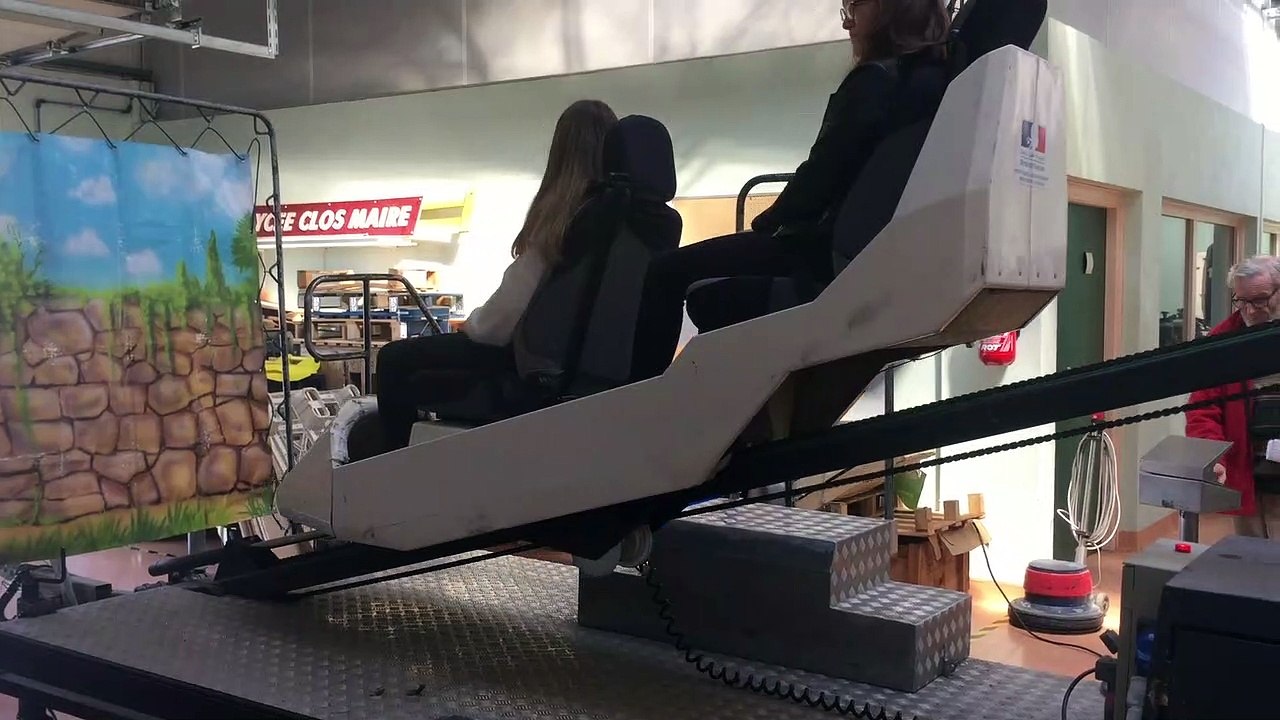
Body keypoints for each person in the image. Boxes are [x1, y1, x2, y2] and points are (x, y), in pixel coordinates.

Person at [628, 0, 953, 381]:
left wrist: (768, 219)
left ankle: (637, 401)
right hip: (862, 258)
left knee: (665, 270)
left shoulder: (875, 82)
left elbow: (819, 177)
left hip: (818, 255)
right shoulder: (931, 81)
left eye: (857, 9)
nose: (850, 25)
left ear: (887, 13)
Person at [375, 99, 619, 450]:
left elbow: (496, 325)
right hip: (576, 368)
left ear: (561, 154)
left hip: (528, 366)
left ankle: (389, 473)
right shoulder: (619, 223)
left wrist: (471, 323)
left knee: (394, 360)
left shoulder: (565, 221)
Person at [1185, 255, 1280, 539]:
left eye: (1260, 300)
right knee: (1250, 570)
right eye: (1241, 301)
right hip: (1250, 479)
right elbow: (1203, 409)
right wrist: (1213, 457)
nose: (1250, 311)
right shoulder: (1223, 342)